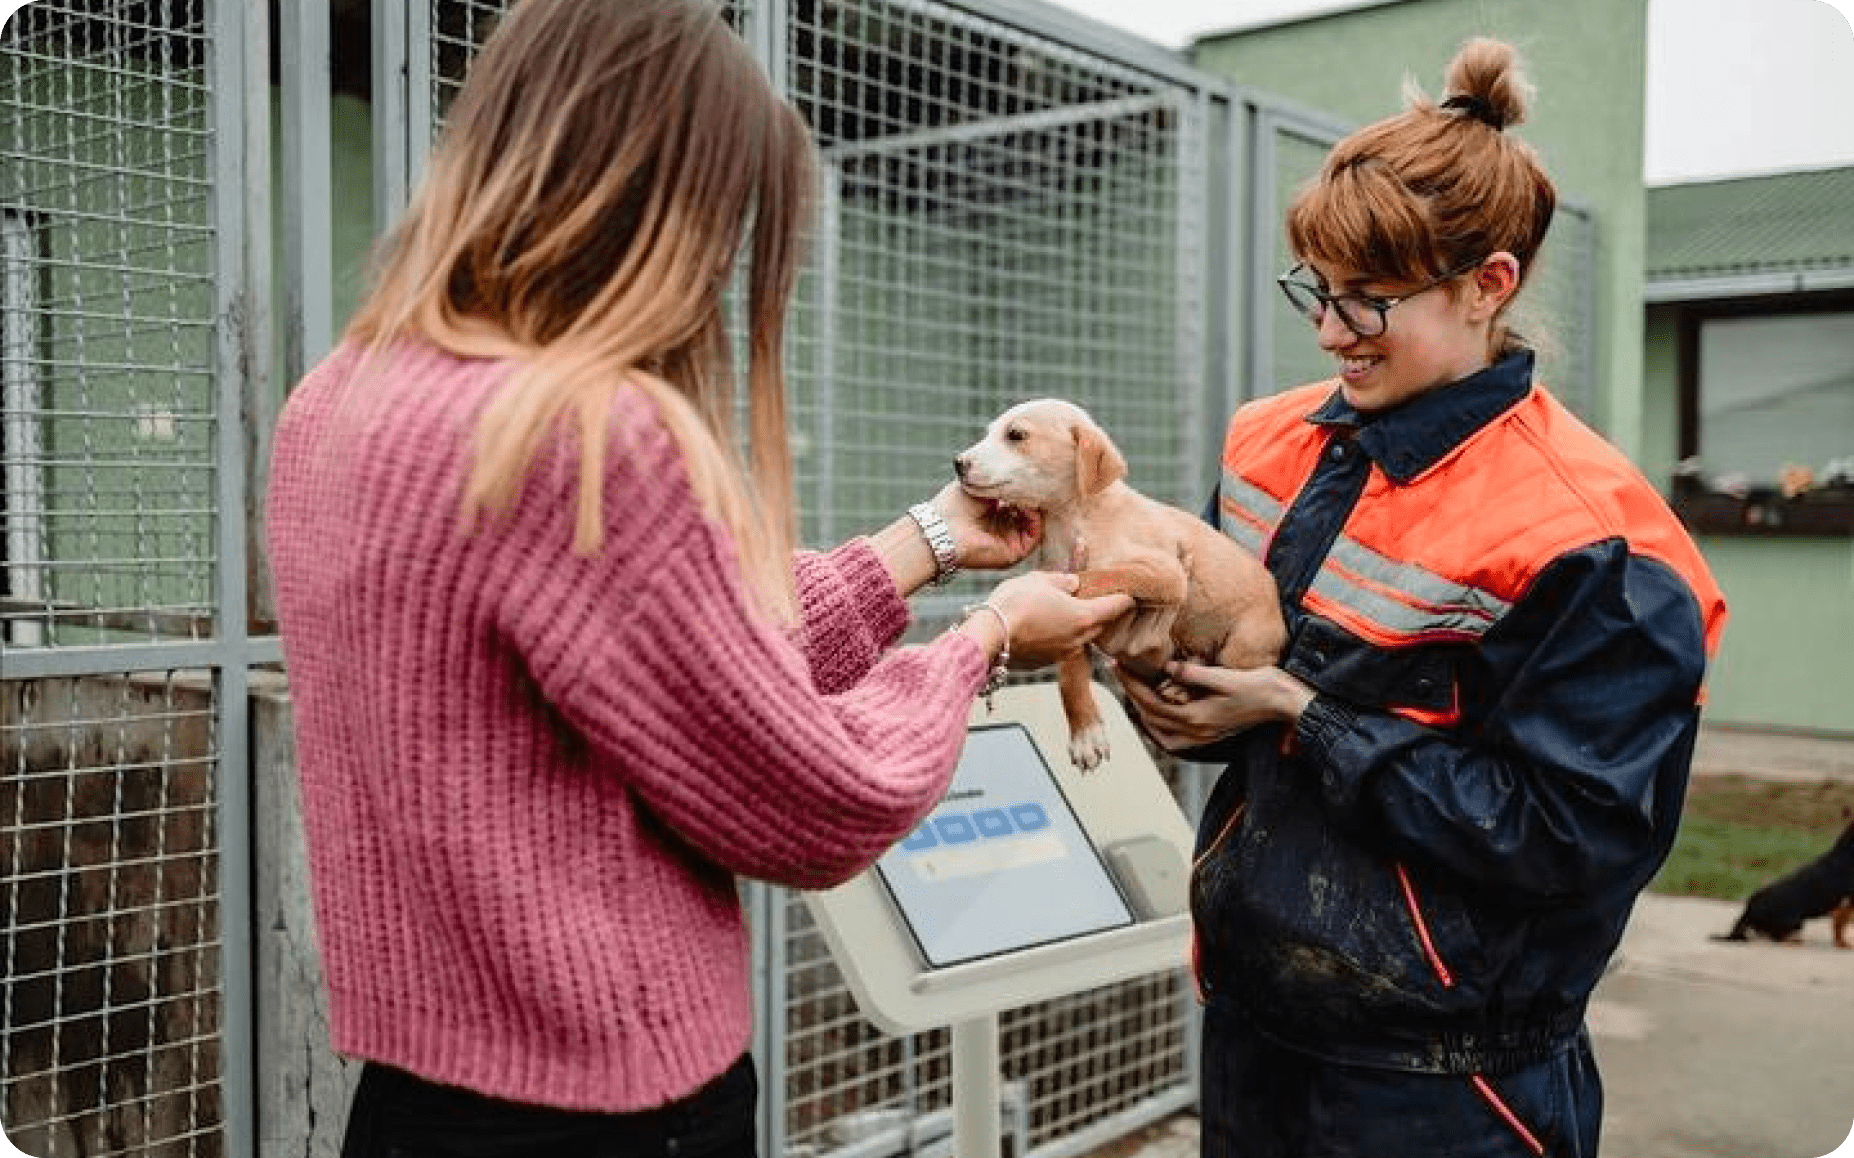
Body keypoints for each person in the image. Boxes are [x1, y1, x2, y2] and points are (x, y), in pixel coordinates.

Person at [263, 2, 1132, 1155]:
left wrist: (925, 538)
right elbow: (819, 793)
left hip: (417, 1098)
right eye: (727, 217)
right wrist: (987, 639)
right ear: (659, 199)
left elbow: (678, 657)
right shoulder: (581, 431)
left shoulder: (337, 398)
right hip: (615, 1104)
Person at [1114, 38, 1728, 1158]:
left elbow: (1563, 834)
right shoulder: (1270, 443)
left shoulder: (1598, 543)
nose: (1329, 330)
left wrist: (1295, 712)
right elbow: (1238, 691)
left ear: (1488, 285)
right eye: (1318, 289)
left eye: (1370, 301)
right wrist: (1165, 682)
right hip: (1253, 1030)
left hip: (1446, 1086)